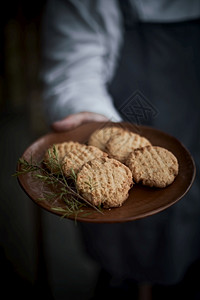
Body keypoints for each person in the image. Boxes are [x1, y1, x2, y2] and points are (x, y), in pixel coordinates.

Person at [40, 0, 200, 298]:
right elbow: (73, 64)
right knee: (119, 265)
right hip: (118, 121)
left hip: (193, 137)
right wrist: (90, 116)